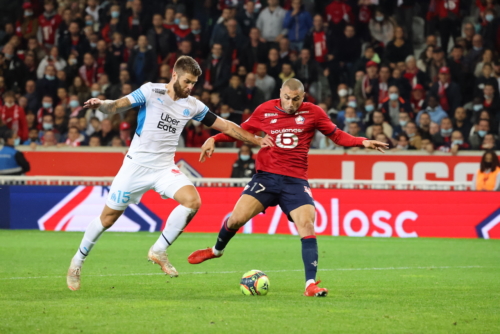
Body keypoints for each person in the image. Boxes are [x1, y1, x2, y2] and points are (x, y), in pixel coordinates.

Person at [66, 56, 273, 291]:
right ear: (174, 75)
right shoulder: (150, 91)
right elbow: (117, 105)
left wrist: (256, 140)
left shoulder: (192, 105)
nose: (190, 87)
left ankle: (159, 250)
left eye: (193, 83)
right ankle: (76, 262)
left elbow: (226, 126)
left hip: (164, 168)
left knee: (192, 201)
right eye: (187, 81)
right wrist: (101, 104)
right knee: (107, 219)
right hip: (135, 167)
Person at [187, 78, 388, 297]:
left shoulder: (314, 113)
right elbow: (241, 131)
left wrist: (362, 141)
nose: (291, 103)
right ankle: (216, 251)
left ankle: (310, 284)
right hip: (266, 177)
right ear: (280, 93)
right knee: (236, 219)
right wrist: (215, 138)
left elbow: (337, 135)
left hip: (295, 180)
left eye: (296, 99)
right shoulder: (265, 110)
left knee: (307, 225)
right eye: (287, 98)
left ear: (303, 97)